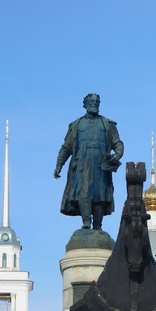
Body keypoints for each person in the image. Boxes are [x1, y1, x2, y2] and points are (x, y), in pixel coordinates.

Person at [54, 93, 124, 230]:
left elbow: (117, 143)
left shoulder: (107, 124)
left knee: (100, 194)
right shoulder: (76, 125)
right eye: (91, 101)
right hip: (83, 164)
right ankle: (86, 222)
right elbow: (66, 147)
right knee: (84, 191)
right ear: (85, 104)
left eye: (97, 101)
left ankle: (98, 225)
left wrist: (118, 155)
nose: (94, 103)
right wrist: (59, 165)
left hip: (101, 164)